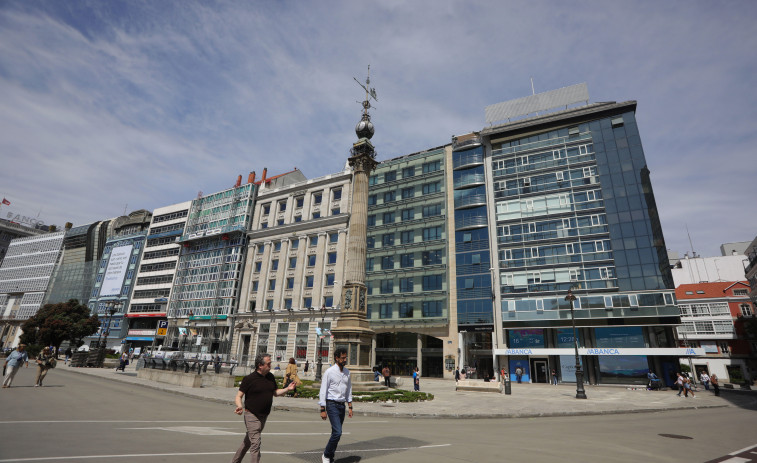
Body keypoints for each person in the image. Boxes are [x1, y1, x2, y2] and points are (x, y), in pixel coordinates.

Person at [231, 353, 295, 463]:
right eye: (269, 363)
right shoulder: (249, 379)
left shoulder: (270, 377)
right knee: (256, 444)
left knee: (248, 442)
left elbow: (275, 392)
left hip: (263, 416)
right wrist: (239, 406)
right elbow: (239, 396)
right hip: (251, 415)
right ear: (260, 365)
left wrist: (287, 389)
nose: (271, 365)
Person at [319, 347, 352, 463]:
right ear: (336, 358)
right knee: (338, 432)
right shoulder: (329, 372)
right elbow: (323, 390)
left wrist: (350, 406)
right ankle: (326, 455)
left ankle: (330, 456)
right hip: (331, 404)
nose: (345, 359)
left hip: (341, 405)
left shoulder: (347, 372)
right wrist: (322, 408)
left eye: (345, 357)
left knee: (335, 433)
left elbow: (349, 390)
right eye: (342, 358)